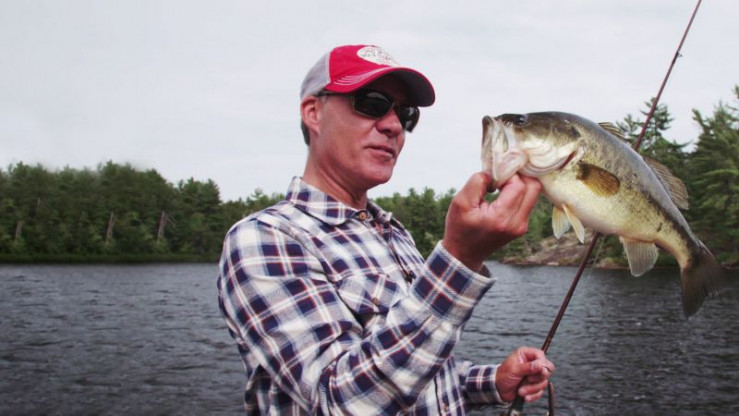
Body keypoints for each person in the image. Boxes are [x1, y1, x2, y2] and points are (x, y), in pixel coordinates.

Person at [217, 44, 554, 415]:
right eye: (372, 103)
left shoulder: (394, 233)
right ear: (314, 112)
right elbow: (341, 400)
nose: (394, 125)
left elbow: (418, 374)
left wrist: (490, 382)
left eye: (406, 114)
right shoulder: (265, 239)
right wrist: (460, 258)